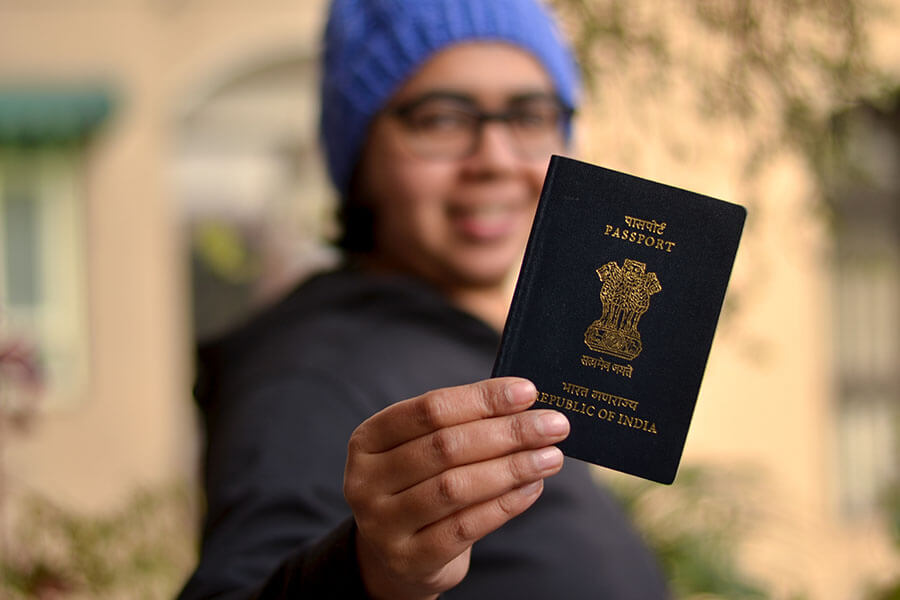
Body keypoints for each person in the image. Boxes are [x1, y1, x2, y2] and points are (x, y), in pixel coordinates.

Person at [178, 0, 670, 598]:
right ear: (360, 160)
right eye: (440, 119)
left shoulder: (487, 345)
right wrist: (370, 574)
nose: (494, 159)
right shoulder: (311, 376)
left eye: (531, 115)